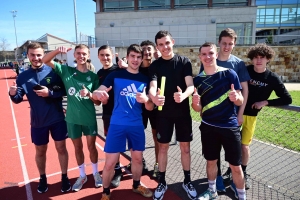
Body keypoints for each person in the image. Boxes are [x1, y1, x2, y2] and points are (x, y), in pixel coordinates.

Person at [93, 44, 154, 200]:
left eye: (138, 57)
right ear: (127, 57)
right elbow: (98, 91)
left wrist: (146, 100)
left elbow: (150, 106)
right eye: (132, 56)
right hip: (117, 124)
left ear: (141, 59)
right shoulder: (115, 75)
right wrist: (100, 94)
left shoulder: (144, 79)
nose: (135, 60)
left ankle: (136, 185)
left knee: (138, 158)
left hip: (136, 124)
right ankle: (106, 192)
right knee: (109, 163)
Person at [9, 42, 71, 193]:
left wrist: (49, 93)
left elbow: (64, 90)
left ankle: (64, 177)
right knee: (40, 151)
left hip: (57, 118)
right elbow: (18, 98)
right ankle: (43, 179)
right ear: (28, 56)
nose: (36, 58)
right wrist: (12, 94)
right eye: (32, 55)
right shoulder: (22, 77)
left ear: (43, 54)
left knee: (61, 148)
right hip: (38, 121)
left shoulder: (53, 71)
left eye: (39, 55)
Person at [42, 44, 103, 192]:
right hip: (72, 119)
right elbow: (45, 60)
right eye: (78, 53)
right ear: (74, 55)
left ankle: (95, 173)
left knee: (91, 147)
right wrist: (58, 50)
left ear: (88, 56)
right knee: (77, 148)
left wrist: (89, 94)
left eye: (84, 54)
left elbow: (98, 101)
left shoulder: (93, 77)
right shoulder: (66, 71)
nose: (81, 56)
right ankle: (82, 175)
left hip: (89, 118)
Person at [199, 28, 251, 192]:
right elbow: (203, 87)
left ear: (234, 44)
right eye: (224, 43)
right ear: (219, 43)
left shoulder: (237, 64)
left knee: (234, 158)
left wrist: (240, 113)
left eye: (230, 44)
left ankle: (237, 184)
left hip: (230, 119)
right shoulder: (209, 59)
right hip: (210, 120)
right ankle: (218, 180)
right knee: (213, 157)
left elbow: (244, 90)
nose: (227, 46)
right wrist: (202, 108)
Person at [149, 30, 196, 200]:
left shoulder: (184, 62)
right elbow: (152, 86)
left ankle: (187, 180)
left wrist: (183, 95)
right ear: (157, 47)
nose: (165, 47)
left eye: (167, 43)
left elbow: (190, 85)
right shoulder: (155, 65)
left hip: (182, 113)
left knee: (185, 148)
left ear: (173, 42)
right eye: (161, 44)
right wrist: (154, 96)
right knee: (163, 147)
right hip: (163, 114)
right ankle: (162, 181)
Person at [241, 43, 292, 190]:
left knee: (244, 146)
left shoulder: (272, 78)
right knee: (232, 145)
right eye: (255, 57)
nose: (258, 60)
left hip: (250, 116)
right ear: (252, 58)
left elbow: (287, 99)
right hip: (235, 113)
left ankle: (243, 171)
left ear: (268, 59)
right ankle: (231, 171)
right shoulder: (245, 70)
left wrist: (266, 102)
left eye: (262, 57)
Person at [96, 45, 124, 187]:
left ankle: (120, 170)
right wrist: (101, 100)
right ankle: (117, 168)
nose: (105, 58)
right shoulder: (99, 73)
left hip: (123, 113)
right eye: (102, 55)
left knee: (123, 142)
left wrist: (125, 66)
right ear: (98, 57)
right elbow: (97, 97)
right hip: (107, 113)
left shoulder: (120, 70)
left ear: (112, 56)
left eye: (107, 55)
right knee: (112, 142)